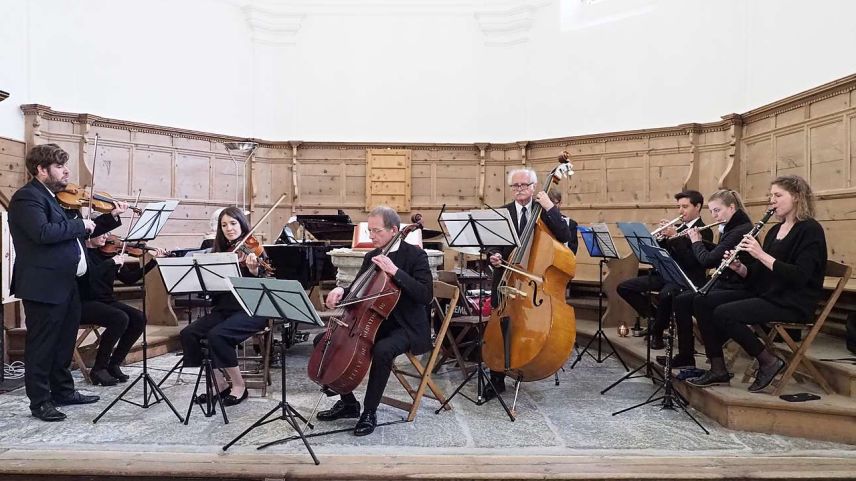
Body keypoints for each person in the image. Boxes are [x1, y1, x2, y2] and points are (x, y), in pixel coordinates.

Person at [9, 143, 126, 422]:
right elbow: (43, 233)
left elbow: (79, 232)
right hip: (44, 285)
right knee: (42, 346)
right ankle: (40, 402)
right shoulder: (27, 198)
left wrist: (110, 218)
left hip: (67, 284)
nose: (66, 171)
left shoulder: (57, 198)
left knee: (63, 343)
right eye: (60, 167)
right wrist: (79, 224)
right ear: (41, 170)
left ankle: (63, 391)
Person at [688, 175, 827, 392]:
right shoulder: (774, 230)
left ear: (797, 197)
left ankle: (768, 361)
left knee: (724, 313)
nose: (772, 200)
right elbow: (762, 275)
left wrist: (761, 254)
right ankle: (718, 368)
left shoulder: (810, 230)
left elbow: (800, 276)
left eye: (778, 195)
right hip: (769, 294)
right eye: (771, 195)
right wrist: (740, 268)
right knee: (702, 300)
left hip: (793, 301)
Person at [315, 206, 433, 436]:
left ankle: (369, 412)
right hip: (375, 322)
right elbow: (359, 289)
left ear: (394, 230)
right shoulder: (372, 256)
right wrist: (340, 291)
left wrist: (396, 271)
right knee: (324, 340)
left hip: (407, 326)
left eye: (376, 231)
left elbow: (425, 295)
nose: (372, 236)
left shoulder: (415, 255)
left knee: (382, 350)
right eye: (369, 231)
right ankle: (348, 403)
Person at [485, 169, 572, 399]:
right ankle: (496, 378)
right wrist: (492, 255)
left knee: (523, 326)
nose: (520, 189)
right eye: (515, 186)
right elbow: (491, 246)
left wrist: (550, 208)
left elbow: (565, 236)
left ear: (534, 187)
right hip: (505, 279)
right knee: (501, 323)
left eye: (524, 185)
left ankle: (521, 363)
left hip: (534, 284)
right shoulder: (502, 212)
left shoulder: (544, 211)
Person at [179, 206, 267, 407]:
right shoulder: (219, 253)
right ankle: (218, 383)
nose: (229, 228)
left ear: (242, 224)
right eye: (224, 225)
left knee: (217, 335)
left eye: (233, 223)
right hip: (224, 309)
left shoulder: (253, 249)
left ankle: (239, 386)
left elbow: (267, 281)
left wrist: (254, 272)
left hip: (251, 310)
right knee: (189, 334)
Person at [656, 189, 753, 369]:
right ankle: (686, 355)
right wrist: (682, 238)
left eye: (717, 210)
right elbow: (717, 250)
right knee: (681, 300)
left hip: (739, 286)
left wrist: (695, 241)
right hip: (726, 283)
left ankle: (717, 365)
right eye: (712, 212)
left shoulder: (741, 229)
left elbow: (707, 260)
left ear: (732, 208)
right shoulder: (731, 227)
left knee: (699, 300)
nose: (715, 216)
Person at [616, 190, 712, 350]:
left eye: (685, 206)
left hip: (687, 277)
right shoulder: (679, 227)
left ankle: (658, 334)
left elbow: (693, 261)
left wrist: (676, 237)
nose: (680, 211)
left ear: (698, 207)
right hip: (667, 273)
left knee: (666, 295)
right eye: (679, 207)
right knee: (624, 287)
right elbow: (664, 254)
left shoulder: (704, 230)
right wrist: (659, 240)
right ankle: (656, 319)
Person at [78, 231, 169, 386]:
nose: (106, 237)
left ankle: (114, 364)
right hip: (84, 304)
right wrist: (111, 263)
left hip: (106, 301)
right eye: (102, 233)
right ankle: (99, 368)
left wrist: (153, 262)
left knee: (139, 318)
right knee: (119, 318)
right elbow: (90, 279)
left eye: (108, 234)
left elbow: (128, 279)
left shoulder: (109, 255)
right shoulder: (83, 254)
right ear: (88, 234)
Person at [547, 188, 579, 254]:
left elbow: (572, 252)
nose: (551, 207)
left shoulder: (571, 224)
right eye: (549, 203)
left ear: (560, 203)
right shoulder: (540, 222)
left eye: (554, 203)